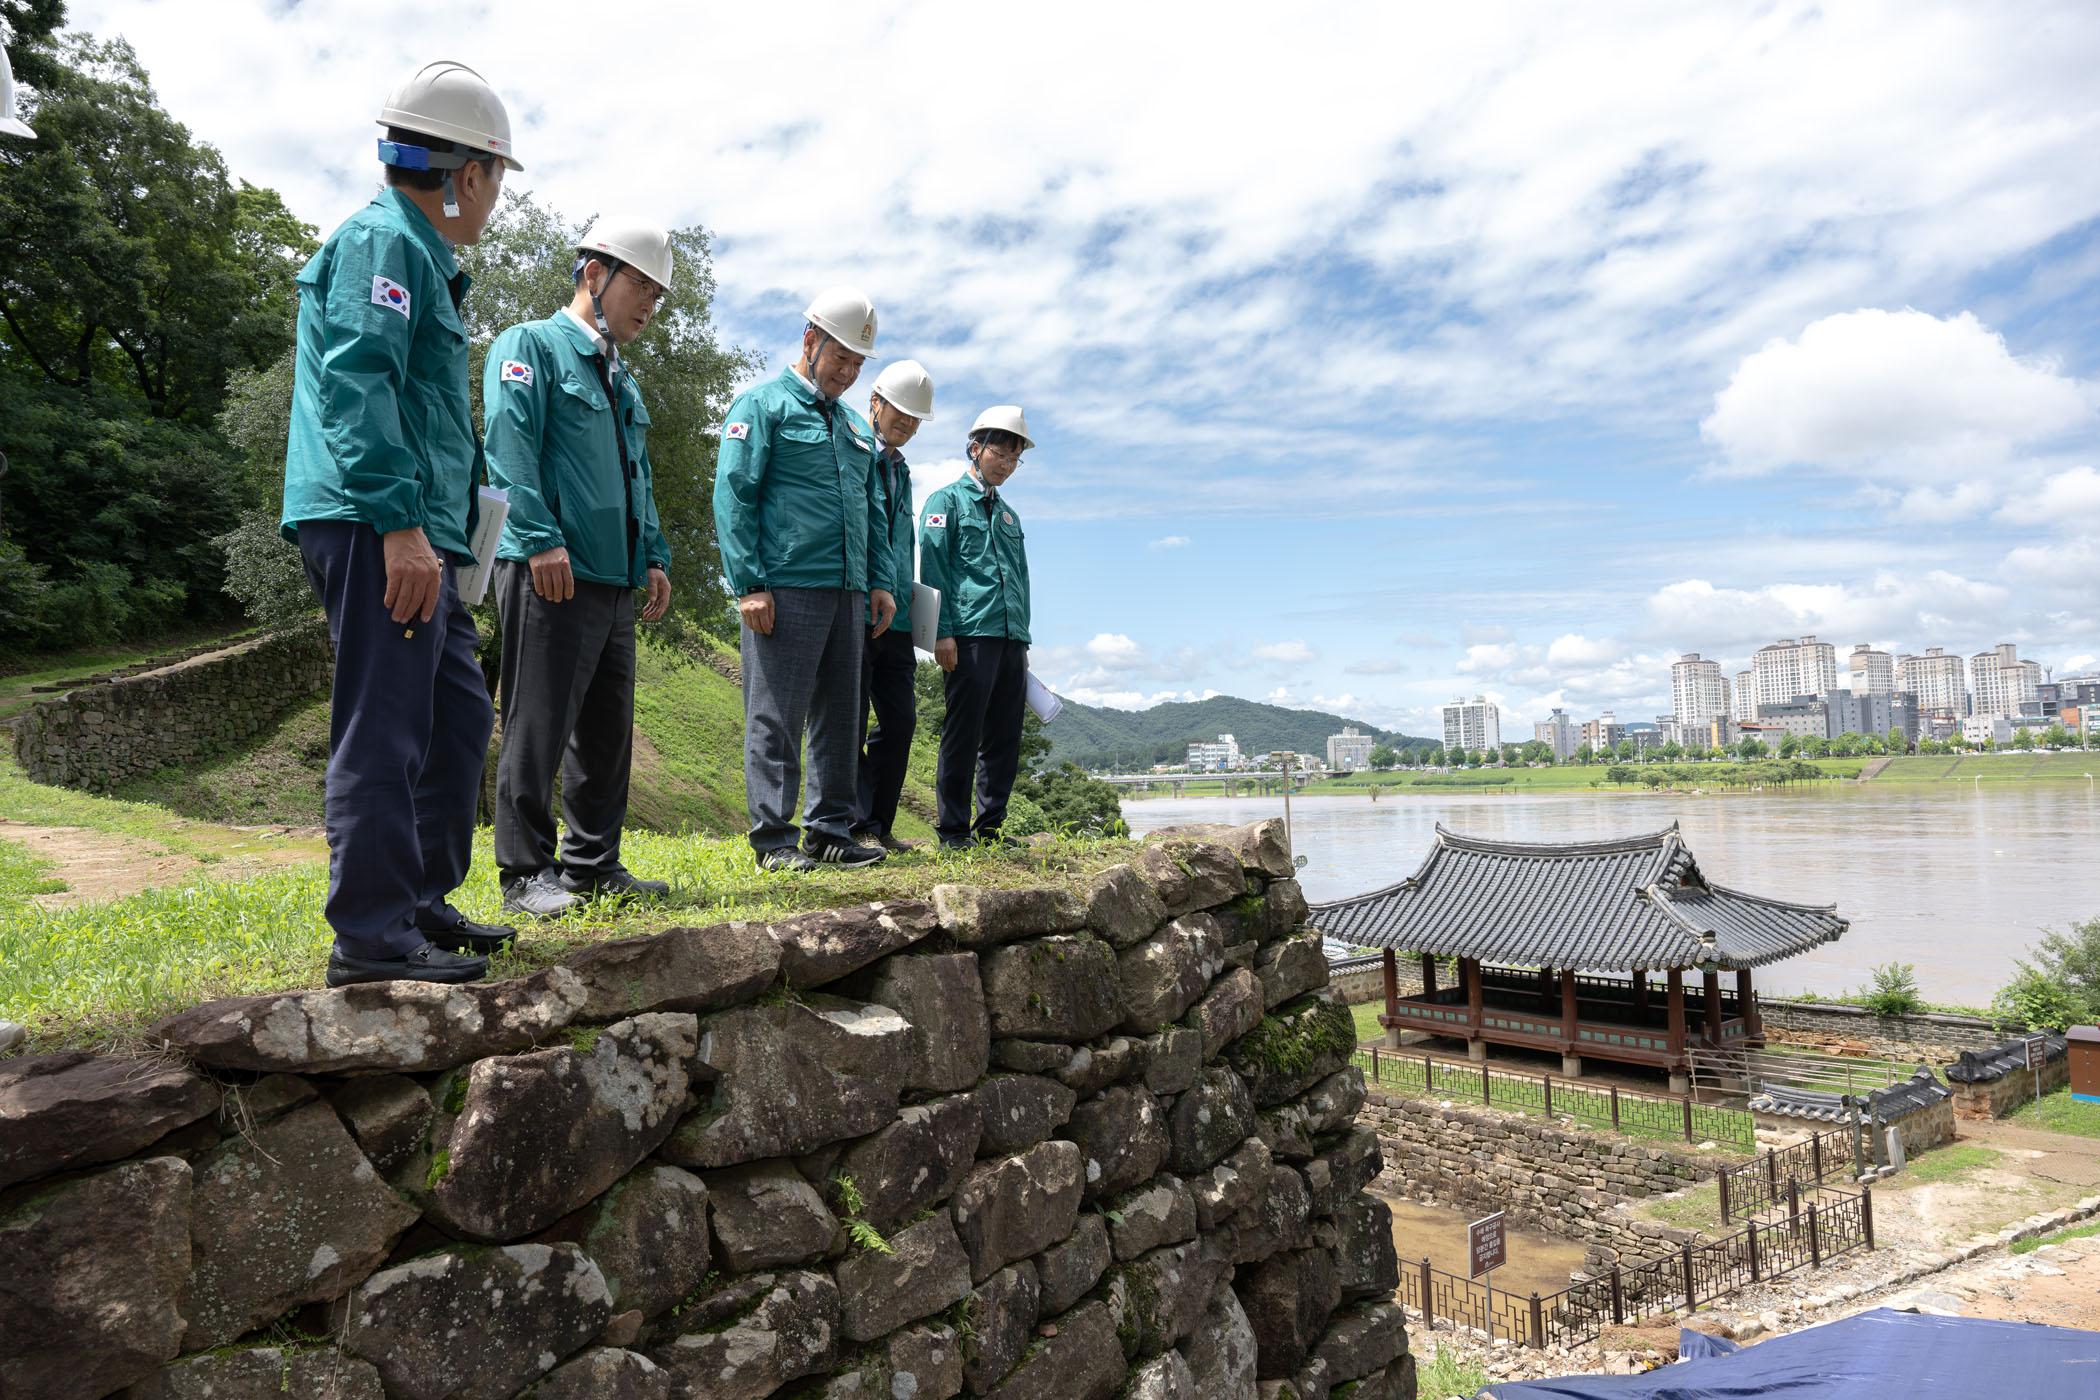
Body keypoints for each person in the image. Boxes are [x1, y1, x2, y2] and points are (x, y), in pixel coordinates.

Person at [280, 61, 521, 986]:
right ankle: (372, 940)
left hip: (420, 532)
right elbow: (358, 383)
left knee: (456, 715)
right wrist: (398, 523)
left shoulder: (421, 256)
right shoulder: (383, 241)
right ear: (468, 173)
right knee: (385, 725)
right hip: (374, 520)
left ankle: (419, 902)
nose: (496, 197)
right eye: (497, 177)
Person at [482, 218, 675, 919]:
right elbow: (509, 445)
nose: (649, 304)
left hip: (612, 576)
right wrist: (538, 538)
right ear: (595, 274)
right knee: (537, 720)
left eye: (657, 293)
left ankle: (592, 864)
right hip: (549, 568)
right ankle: (524, 871)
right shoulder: (529, 345)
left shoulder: (622, 377)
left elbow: (637, 475)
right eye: (640, 285)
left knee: (606, 732)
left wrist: (652, 554)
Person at [713, 289, 900, 871]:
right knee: (777, 716)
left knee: (841, 719)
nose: (848, 372)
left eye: (858, 364)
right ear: (810, 341)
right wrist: (749, 583)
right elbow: (734, 495)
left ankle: (830, 832)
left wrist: (880, 580)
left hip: (849, 592)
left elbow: (872, 510)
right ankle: (774, 839)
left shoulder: (855, 426)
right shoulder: (761, 406)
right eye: (841, 357)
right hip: (785, 587)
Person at [918, 407, 1035, 851]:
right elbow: (933, 567)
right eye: (999, 454)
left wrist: (1022, 637)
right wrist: (941, 632)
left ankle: (990, 828)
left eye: (1014, 458)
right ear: (975, 448)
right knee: (963, 735)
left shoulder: (1010, 517)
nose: (1005, 464)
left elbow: (1020, 579)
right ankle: (953, 831)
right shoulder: (945, 502)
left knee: (1004, 737)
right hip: (968, 635)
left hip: (1010, 639)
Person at [850, 360, 936, 852]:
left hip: (898, 617)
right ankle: (856, 823)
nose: (906, 425)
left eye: (915, 420)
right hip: (857, 609)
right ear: (875, 402)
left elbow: (903, 546)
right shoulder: (854, 449)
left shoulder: (902, 471)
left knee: (900, 722)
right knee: (849, 720)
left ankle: (879, 824)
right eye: (900, 413)